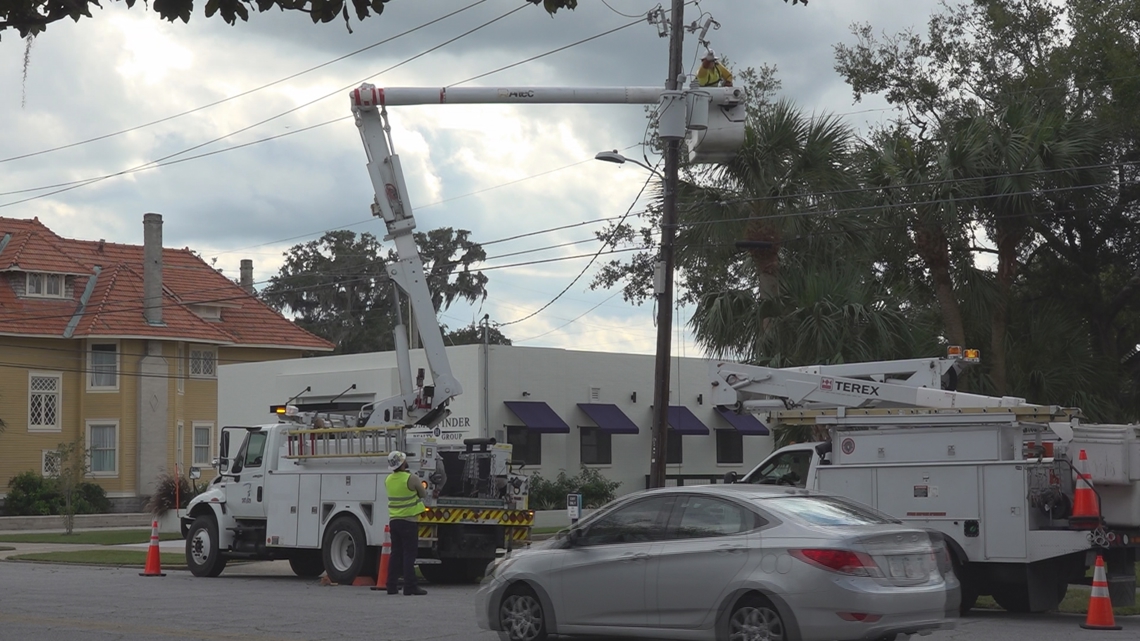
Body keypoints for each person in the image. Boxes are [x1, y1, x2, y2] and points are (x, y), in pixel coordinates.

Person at [385, 450, 430, 595]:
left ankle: (391, 586)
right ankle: (409, 586)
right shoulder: (411, 478)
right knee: (409, 555)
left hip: (394, 521)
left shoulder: (388, 480)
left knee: (395, 554)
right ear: (403, 463)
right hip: (409, 521)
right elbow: (423, 493)